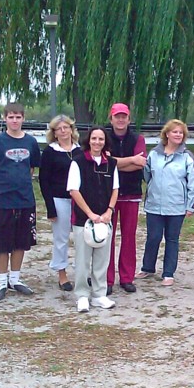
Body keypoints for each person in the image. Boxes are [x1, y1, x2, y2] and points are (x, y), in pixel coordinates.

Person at [0, 102, 41, 301]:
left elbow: (31, 169)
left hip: (25, 200)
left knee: (21, 241)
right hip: (2, 201)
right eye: (11, 117)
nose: (14, 120)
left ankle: (15, 278)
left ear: (23, 118)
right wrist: (1, 184)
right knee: (2, 242)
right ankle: (2, 281)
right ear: (4, 118)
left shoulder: (31, 142)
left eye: (18, 117)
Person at [136, 120, 194, 286]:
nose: (178, 135)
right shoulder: (154, 154)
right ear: (167, 134)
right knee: (153, 237)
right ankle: (147, 268)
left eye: (181, 133)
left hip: (176, 206)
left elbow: (193, 182)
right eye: (175, 132)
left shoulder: (186, 156)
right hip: (154, 205)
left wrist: (191, 205)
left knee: (172, 239)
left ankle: (168, 273)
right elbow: (147, 175)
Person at [67, 126, 119, 312]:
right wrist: (90, 214)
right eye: (94, 139)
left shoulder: (111, 163)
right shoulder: (78, 162)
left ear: (106, 142)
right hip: (84, 220)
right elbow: (74, 190)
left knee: (102, 260)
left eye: (101, 139)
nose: (97, 142)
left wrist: (109, 211)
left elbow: (115, 189)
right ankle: (82, 295)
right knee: (82, 259)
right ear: (89, 140)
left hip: (105, 219)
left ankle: (99, 295)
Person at [106, 103, 147, 294]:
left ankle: (126, 277)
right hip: (107, 194)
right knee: (107, 237)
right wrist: (130, 160)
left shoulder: (137, 138)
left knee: (129, 237)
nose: (120, 120)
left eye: (124, 116)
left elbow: (139, 164)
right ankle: (106, 278)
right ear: (111, 118)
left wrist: (116, 162)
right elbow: (105, 162)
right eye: (117, 116)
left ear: (129, 119)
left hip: (131, 192)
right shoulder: (104, 136)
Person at [39, 115, 82, 292]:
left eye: (66, 127)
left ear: (72, 130)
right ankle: (62, 274)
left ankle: (82, 271)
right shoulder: (50, 152)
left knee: (82, 238)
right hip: (59, 199)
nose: (63, 131)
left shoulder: (81, 150)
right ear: (54, 133)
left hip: (79, 200)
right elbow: (44, 180)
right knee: (61, 238)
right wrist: (50, 207)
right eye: (59, 129)